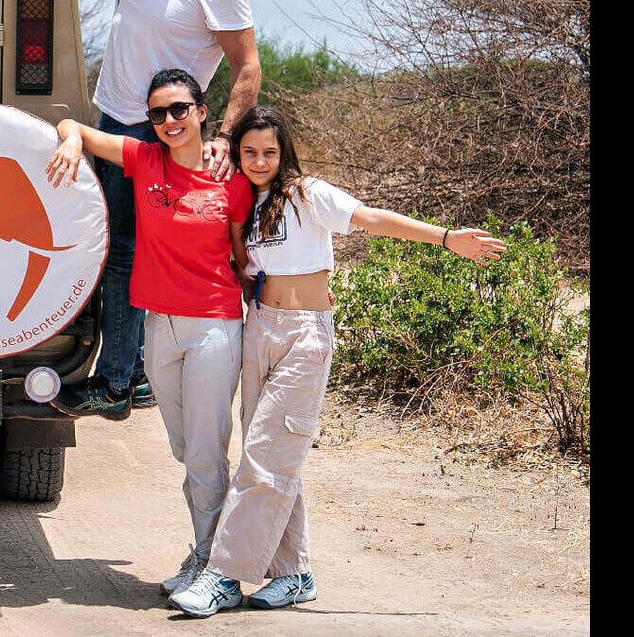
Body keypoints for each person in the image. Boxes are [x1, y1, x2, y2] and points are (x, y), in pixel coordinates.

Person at [167, 106, 506, 617]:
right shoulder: (247, 205)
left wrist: (445, 238)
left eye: (270, 152)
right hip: (259, 327)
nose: (260, 161)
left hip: (304, 334)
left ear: (285, 154)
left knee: (265, 453)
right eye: (250, 152)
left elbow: (370, 219)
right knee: (276, 454)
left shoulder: (308, 194)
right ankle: (294, 573)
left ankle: (226, 575)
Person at [32, 0, 261, 419]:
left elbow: (248, 67)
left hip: (159, 129)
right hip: (113, 115)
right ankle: (133, 374)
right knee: (118, 247)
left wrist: (225, 137)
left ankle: (112, 383)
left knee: (124, 254)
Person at [45, 69, 251, 601]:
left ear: (203, 111)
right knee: (186, 448)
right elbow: (76, 125)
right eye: (157, 114)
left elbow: (251, 252)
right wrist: (70, 139)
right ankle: (208, 552)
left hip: (214, 326)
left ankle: (217, 567)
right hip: (160, 325)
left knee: (206, 452)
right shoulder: (145, 160)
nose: (168, 122)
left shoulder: (231, 178)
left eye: (179, 110)